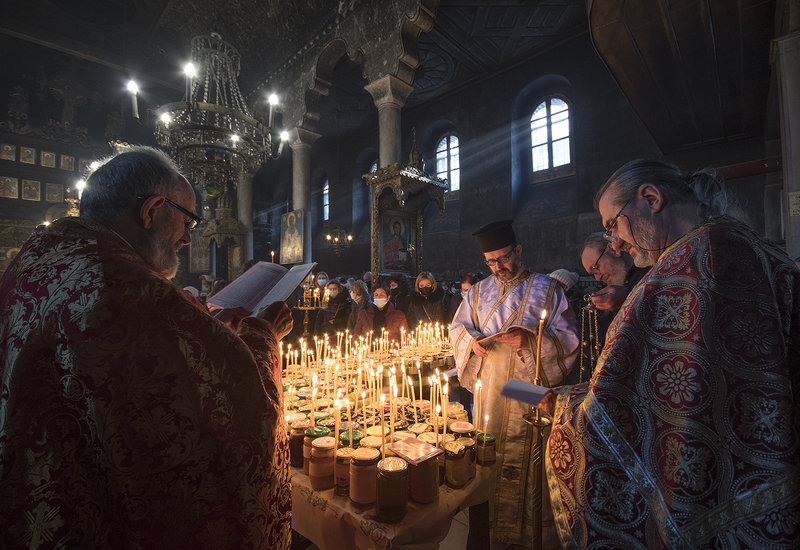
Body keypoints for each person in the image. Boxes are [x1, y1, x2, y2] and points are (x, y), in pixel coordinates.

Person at [0, 147, 294, 549]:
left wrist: (207, 331)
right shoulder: (127, 288)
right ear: (152, 209)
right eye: (187, 220)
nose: (188, 237)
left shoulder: (35, 264)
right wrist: (263, 335)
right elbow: (240, 415)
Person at [539, 159, 800, 549]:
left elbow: (642, 407)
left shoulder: (693, 261)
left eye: (613, 225)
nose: (614, 243)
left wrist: (564, 408)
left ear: (651, 198)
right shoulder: (736, 242)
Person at [450, 220, 579, 549]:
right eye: (491, 261)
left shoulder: (547, 289)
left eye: (504, 258)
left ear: (518, 251)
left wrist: (530, 340)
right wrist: (472, 343)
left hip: (527, 389)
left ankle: (528, 538)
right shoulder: (477, 292)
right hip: (492, 389)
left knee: (528, 460)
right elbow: (458, 329)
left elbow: (568, 341)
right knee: (489, 458)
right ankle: (487, 535)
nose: (498, 266)